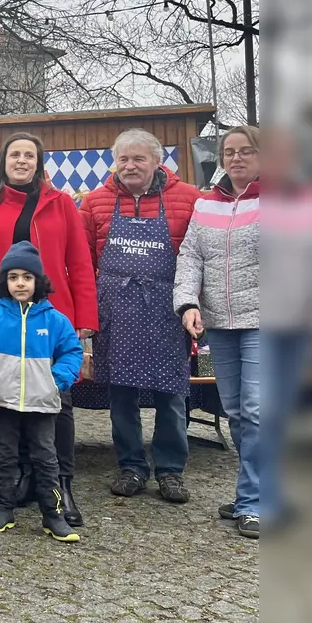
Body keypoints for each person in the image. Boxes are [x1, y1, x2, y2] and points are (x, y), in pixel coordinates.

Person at [0, 132, 97, 527]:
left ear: (39, 163)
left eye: (29, 155)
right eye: (14, 154)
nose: (21, 160)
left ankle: (60, 484)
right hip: (1, 317)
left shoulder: (61, 205)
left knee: (58, 404)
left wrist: (85, 318)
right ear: (3, 162)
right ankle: (19, 480)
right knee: (9, 402)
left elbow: (80, 261)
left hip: (53, 316)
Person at [78, 130, 202, 505]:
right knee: (121, 394)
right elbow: (84, 262)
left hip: (168, 312)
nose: (130, 166)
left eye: (139, 159)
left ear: (156, 161)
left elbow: (199, 257)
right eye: (123, 160)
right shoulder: (96, 202)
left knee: (171, 395)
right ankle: (131, 466)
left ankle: (170, 471)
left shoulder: (189, 198)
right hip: (114, 311)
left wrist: (195, 306)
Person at [175, 125, 261, 539]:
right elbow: (190, 256)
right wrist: (188, 303)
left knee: (259, 412)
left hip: (267, 322)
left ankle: (255, 501)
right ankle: (257, 492)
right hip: (220, 325)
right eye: (229, 152)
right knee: (238, 415)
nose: (237, 158)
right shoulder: (206, 204)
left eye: (246, 151)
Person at [0, 242, 84, 543]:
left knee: (46, 458)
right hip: (2, 403)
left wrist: (57, 381)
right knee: (4, 455)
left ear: (38, 282)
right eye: (13, 276)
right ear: (4, 281)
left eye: (27, 277)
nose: (20, 283)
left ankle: (52, 514)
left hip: (42, 404)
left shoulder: (55, 320)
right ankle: (2, 508)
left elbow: (72, 352)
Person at [263, 127, 312, 526]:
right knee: (261, 410)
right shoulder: (235, 204)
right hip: (252, 320)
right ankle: (262, 493)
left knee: (280, 410)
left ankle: (270, 493)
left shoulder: (307, 204)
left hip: (296, 321)